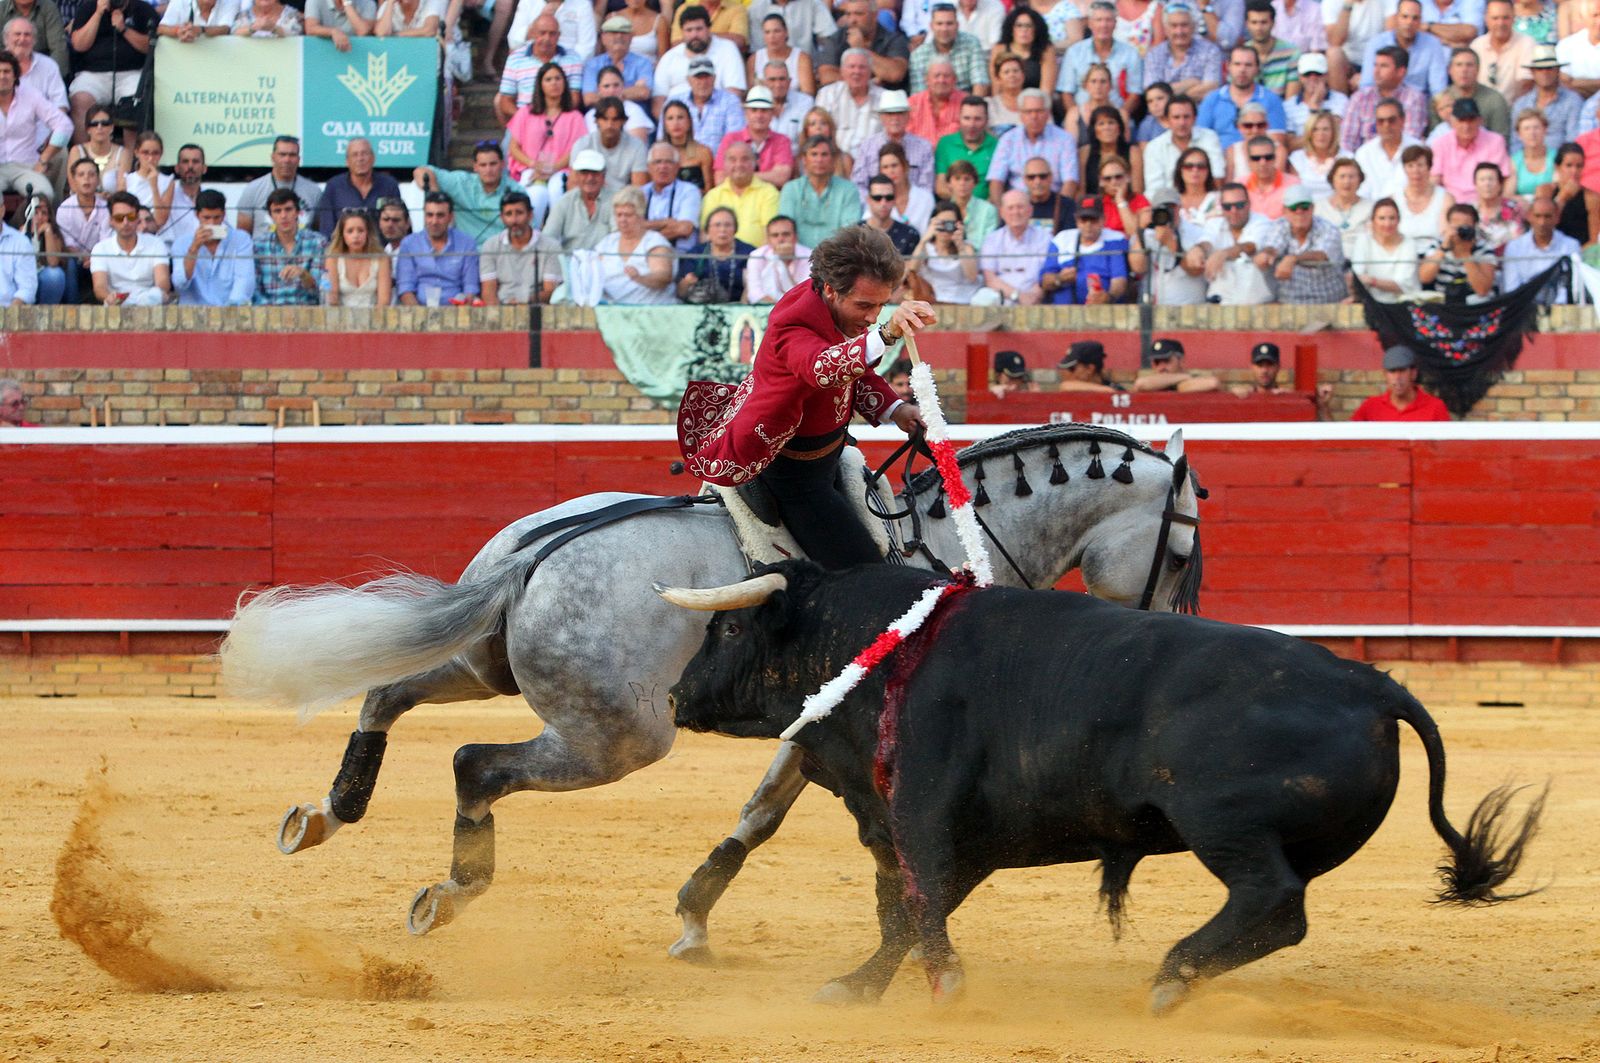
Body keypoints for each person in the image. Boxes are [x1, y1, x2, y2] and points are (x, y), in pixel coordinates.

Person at [677, 226, 931, 567]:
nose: (873, 317)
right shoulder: (793, 322)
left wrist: (896, 409)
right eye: (865, 305)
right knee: (865, 572)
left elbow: (854, 370)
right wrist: (887, 334)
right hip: (793, 475)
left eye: (882, 306)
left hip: (831, 452)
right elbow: (823, 369)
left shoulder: (839, 310)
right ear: (830, 290)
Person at [66, 0, 156, 142]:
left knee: (135, 103)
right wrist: (98, 13)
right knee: (80, 101)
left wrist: (124, 29)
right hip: (92, 74)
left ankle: (130, 159)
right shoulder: (88, 7)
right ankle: (82, 159)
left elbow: (151, 46)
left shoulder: (142, 9)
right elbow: (78, 45)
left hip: (132, 73)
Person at [413, 143, 522, 247]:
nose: (488, 170)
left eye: (493, 164)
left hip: (501, 253)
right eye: (483, 165)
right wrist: (437, 198)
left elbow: (528, 228)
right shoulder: (461, 183)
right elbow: (421, 171)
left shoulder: (516, 191)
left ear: (502, 164)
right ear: (475, 167)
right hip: (465, 253)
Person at [0, 48, 67, 207]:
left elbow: (64, 125)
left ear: (15, 75)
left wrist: (44, 159)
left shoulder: (30, 96)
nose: (2, 76)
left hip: (26, 167)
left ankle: (20, 229)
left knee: (43, 196)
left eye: (7, 71)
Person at [1257, 183, 1347, 301]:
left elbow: (1322, 255)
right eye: (1293, 208)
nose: (1299, 212)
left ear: (1312, 209)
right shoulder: (1279, 226)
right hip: (1289, 303)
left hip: (1328, 302)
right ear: (1285, 211)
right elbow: (1273, 245)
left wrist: (1293, 259)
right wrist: (1266, 255)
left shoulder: (1328, 228)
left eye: (1304, 207)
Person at [988, 88, 1080, 200]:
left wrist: (1060, 210)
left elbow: (1070, 181)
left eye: (1039, 111)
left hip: (1053, 203)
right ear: (1020, 115)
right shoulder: (1008, 140)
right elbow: (996, 180)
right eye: (1028, 112)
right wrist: (1001, 212)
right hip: (1018, 206)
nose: (1034, 117)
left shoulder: (1064, 139)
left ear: (1047, 114)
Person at [395, 191, 479, 306]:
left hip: (457, 312)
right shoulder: (409, 244)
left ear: (450, 217)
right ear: (424, 216)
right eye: (430, 215)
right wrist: (419, 317)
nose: (434, 221)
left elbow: (471, 288)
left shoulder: (467, 244)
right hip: (418, 313)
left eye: (440, 215)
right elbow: (406, 288)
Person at [1041, 197, 1131, 303]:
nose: (1088, 225)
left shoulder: (1115, 240)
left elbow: (1119, 280)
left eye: (1093, 219)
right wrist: (1059, 278)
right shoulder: (1062, 239)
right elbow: (1044, 282)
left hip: (1104, 310)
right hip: (1063, 313)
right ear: (1076, 220)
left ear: (1103, 219)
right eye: (1084, 219)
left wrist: (1108, 297)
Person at [479, 190, 561, 306]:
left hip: (538, 309)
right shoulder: (490, 246)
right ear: (502, 217)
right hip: (502, 308)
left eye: (519, 213)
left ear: (530, 215)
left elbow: (550, 292)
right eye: (508, 214)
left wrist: (523, 301)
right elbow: (488, 292)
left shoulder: (550, 246)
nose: (514, 220)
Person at [778, 134, 862, 248]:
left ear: (833, 160)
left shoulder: (848, 190)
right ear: (804, 160)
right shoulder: (791, 189)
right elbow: (785, 227)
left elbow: (849, 231)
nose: (819, 160)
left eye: (824, 155)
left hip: (835, 258)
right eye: (814, 154)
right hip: (797, 257)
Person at [173, 188, 254, 306]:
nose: (212, 223)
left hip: (230, 312)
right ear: (197, 215)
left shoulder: (241, 240)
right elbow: (180, 284)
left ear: (224, 215)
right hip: (192, 315)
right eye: (206, 218)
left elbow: (244, 281)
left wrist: (230, 311)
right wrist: (194, 248)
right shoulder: (182, 243)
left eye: (217, 217)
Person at [1198, 45, 1288, 149]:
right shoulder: (1212, 100)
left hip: (1257, 160)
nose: (1242, 69)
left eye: (1248, 65)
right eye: (1237, 64)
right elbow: (1201, 139)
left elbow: (1277, 143)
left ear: (1257, 68)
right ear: (1228, 66)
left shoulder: (1271, 100)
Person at [496, 16, 583, 124]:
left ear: (558, 35)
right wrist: (526, 119)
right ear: (532, 33)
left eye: (552, 34)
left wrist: (555, 119)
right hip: (525, 121)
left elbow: (574, 98)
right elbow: (505, 101)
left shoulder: (572, 58)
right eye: (542, 33)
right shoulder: (515, 58)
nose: (547, 38)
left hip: (561, 121)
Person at [1058, 2, 1143, 111]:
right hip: (1081, 116)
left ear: (1115, 23)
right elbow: (1066, 93)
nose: (1104, 25)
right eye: (1098, 20)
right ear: (1089, 23)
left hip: (1117, 117)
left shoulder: (1130, 53)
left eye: (1108, 20)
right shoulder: (1074, 52)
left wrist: (1121, 117)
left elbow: (1135, 93)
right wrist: (1076, 118)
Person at [1343, 45, 1431, 151]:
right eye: (1375, 65)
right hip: (1363, 162)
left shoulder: (1414, 99)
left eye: (1384, 66)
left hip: (1400, 161)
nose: (1376, 71)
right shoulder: (1360, 98)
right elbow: (1347, 140)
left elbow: (1410, 139)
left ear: (1401, 72)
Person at [654, 5, 746, 104]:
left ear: (709, 29)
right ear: (682, 32)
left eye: (699, 29)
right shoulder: (669, 58)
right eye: (689, 30)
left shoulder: (728, 49)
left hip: (718, 115)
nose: (694, 35)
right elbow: (658, 101)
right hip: (675, 116)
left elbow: (734, 93)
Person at [1130, 190, 1211, 302]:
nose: (1167, 212)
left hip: (1188, 309)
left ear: (1179, 208)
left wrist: (1170, 242)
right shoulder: (1147, 234)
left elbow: (1195, 269)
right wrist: (1140, 230)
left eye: (1171, 207)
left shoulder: (1196, 232)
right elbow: (1138, 268)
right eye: (1161, 208)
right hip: (1154, 309)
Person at [90, 190, 168, 305]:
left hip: (149, 301)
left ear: (137, 219)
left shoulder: (156, 243)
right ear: (111, 221)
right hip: (117, 302)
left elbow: (163, 282)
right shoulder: (100, 249)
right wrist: (109, 297)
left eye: (131, 217)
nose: (125, 223)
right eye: (119, 218)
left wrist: (155, 294)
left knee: (157, 296)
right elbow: (99, 287)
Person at [235, 136, 323, 236]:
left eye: (292, 155)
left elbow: (318, 231)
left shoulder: (314, 191)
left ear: (298, 159)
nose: (287, 160)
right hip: (263, 250)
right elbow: (242, 235)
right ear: (273, 157)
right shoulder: (253, 189)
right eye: (282, 154)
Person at [1144, 93, 1225, 201]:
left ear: (1195, 118)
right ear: (1167, 120)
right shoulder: (1154, 147)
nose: (1182, 123)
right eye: (1176, 117)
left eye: (1186, 117)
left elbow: (1217, 177)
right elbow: (1154, 189)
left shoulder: (1209, 137)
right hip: (1169, 204)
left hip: (1207, 201)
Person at [251, 187, 325, 305]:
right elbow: (254, 291)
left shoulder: (317, 242)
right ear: (270, 216)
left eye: (288, 209)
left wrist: (303, 274)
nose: (283, 216)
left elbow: (321, 292)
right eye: (277, 211)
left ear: (297, 212)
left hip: (307, 314)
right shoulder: (258, 245)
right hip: (269, 315)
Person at [1203, 181, 1275, 301]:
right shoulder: (1213, 224)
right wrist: (1198, 250)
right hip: (1219, 303)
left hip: (1256, 305)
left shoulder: (1262, 222)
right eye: (1227, 207)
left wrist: (1223, 253)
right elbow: (1205, 242)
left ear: (1248, 204)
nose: (1234, 211)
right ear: (1221, 207)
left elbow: (1251, 246)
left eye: (1239, 205)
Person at [1359, 0, 1449, 96]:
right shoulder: (1377, 43)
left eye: (1415, 18)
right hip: (1382, 101)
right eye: (1405, 17)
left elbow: (1438, 89)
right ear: (1396, 18)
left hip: (1419, 103)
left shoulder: (1432, 44)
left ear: (1420, 21)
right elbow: (1367, 84)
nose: (1409, 22)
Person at [663, 56, 746, 160]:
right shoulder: (673, 101)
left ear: (714, 78)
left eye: (707, 77)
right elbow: (663, 140)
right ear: (688, 80)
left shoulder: (730, 101)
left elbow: (734, 141)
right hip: (681, 164)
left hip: (719, 166)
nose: (703, 82)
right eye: (698, 77)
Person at [816, 0, 911, 91]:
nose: (852, 20)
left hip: (884, 101)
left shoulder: (895, 39)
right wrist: (867, 82)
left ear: (875, 15)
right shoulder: (836, 39)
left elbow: (895, 74)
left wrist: (862, 49)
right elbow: (826, 76)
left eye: (858, 14)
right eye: (848, 14)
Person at [313, 139, 400, 238]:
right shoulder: (334, 187)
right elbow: (326, 230)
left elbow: (398, 223)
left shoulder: (389, 185)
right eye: (355, 154)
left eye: (364, 154)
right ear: (347, 161)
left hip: (381, 251)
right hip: (343, 252)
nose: (360, 158)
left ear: (373, 158)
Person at [1339, 343, 1451, 420]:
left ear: (1413, 373)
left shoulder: (1436, 407)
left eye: (1402, 371)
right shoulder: (1371, 406)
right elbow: (1342, 445)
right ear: (1385, 375)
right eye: (1392, 371)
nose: (1397, 377)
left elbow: (1447, 450)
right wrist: (1324, 408)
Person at [1431, 97, 1510, 203]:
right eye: (1461, 120)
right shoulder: (1440, 144)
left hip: (1485, 202)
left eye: (1471, 120)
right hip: (1450, 203)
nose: (1466, 126)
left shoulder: (1495, 141)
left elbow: (1504, 177)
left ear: (1480, 121)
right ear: (1452, 122)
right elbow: (1435, 178)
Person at [701, 139, 781, 244]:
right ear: (724, 164)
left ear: (755, 163)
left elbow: (772, 234)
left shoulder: (769, 193)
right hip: (721, 257)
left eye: (745, 159)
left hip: (758, 258)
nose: (739, 165)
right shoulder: (713, 195)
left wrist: (758, 259)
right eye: (732, 160)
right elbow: (705, 235)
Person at [979, 188, 1051, 302]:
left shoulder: (1045, 238)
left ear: (1030, 210)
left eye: (1020, 207)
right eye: (1010, 208)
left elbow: (1047, 274)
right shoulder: (992, 239)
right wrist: (1018, 296)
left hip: (1035, 298)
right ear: (1002, 212)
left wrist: (1034, 296)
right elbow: (990, 278)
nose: (1015, 212)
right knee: (982, 299)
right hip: (1002, 297)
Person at [1500, 194, 1578, 298]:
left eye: (1547, 216)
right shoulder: (1514, 247)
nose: (1542, 222)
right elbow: (1512, 289)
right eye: (1537, 216)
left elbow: (1569, 288)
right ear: (1529, 216)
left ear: (1557, 218)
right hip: (1523, 308)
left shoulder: (1570, 246)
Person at [1418, 201, 1497, 302]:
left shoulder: (1484, 248)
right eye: (1456, 227)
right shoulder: (1438, 244)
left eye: (1465, 227)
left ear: (1475, 226)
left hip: (1475, 303)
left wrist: (1465, 255)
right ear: (1448, 225)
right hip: (1444, 302)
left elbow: (1482, 290)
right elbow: (1424, 278)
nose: (1460, 232)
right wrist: (1443, 249)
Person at [715, 86, 794, 186]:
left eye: (764, 110)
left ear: (772, 113)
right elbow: (720, 178)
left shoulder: (782, 141)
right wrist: (766, 176)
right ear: (746, 113)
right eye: (754, 110)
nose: (759, 115)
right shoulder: (730, 139)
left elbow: (781, 177)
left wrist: (740, 176)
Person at [55, 156, 109, 300]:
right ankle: (73, 308)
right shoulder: (65, 208)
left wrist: (95, 258)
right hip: (75, 259)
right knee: (70, 263)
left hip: (101, 258)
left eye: (91, 175)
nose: (87, 179)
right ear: (73, 180)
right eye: (81, 175)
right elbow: (67, 243)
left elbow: (107, 241)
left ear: (97, 180)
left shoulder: (106, 208)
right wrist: (84, 257)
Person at [1348, 195, 1423, 299]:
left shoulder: (1409, 244)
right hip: (1372, 304)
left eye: (1392, 218)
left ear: (1398, 220)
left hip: (1404, 304)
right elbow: (1358, 276)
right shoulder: (1363, 241)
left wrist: (1373, 281)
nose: (1387, 224)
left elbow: (1404, 285)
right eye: (1382, 218)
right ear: (1373, 220)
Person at [909, 196, 982, 301]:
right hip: (932, 299)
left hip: (963, 299)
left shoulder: (966, 247)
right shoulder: (925, 248)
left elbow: (972, 277)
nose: (946, 229)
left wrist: (960, 246)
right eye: (941, 223)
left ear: (958, 224)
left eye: (950, 224)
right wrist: (924, 240)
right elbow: (912, 270)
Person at [816, 49, 884, 161]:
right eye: (851, 67)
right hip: (835, 162)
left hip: (874, 161)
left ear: (870, 71)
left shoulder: (884, 97)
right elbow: (818, 133)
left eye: (862, 67)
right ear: (842, 71)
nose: (856, 71)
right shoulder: (827, 94)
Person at [1145, 4, 1224, 101]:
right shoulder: (1154, 54)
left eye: (1184, 25)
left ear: (1194, 26)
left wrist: (1168, 95)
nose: (1179, 31)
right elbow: (1152, 94)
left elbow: (1212, 88)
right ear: (1165, 29)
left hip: (1200, 112)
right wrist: (1191, 83)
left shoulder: (1210, 51)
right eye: (1174, 26)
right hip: (1163, 114)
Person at [1430, 46, 1511, 139]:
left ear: (1478, 70)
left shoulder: (1495, 99)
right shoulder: (1440, 100)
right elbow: (1434, 138)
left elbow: (1501, 137)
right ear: (1449, 70)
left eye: (1469, 65)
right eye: (1459, 65)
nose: (1464, 70)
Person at [321, 207, 392, 308]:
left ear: (368, 233)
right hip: (341, 320)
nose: (356, 235)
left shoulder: (381, 259)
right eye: (350, 231)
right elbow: (332, 300)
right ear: (342, 235)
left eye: (360, 230)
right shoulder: (333, 259)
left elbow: (384, 302)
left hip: (374, 320)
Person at [914, 2, 991, 94]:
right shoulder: (919, 55)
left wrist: (973, 107)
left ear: (957, 25)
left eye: (949, 23)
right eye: (939, 24)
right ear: (931, 26)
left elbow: (980, 82)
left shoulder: (971, 44)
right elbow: (919, 94)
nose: (944, 29)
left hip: (966, 102)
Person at [1354, 97, 1423, 196]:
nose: (1386, 125)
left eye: (1392, 120)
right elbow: (1360, 191)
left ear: (1402, 120)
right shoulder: (1364, 153)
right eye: (1381, 121)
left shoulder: (1418, 150)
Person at [642, 141, 703, 253]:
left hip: (679, 256)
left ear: (677, 166)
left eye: (668, 162)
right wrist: (666, 222)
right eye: (657, 162)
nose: (663, 167)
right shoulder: (641, 193)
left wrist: (647, 230)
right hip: (645, 255)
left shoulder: (689, 191)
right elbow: (633, 228)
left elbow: (684, 229)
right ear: (649, 167)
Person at [1514, 46, 1580, 147]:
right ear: (1533, 72)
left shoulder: (1573, 101)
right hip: (1526, 160)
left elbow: (1573, 140)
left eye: (1549, 68)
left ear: (1557, 71)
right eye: (1540, 69)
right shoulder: (1521, 104)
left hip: (1560, 160)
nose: (1545, 73)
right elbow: (1515, 142)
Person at [583, 15, 653, 108]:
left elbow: (643, 92)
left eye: (624, 32)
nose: (619, 36)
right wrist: (630, 91)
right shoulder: (593, 65)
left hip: (634, 115)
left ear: (631, 37)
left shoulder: (643, 63)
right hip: (601, 114)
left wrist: (604, 92)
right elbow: (589, 98)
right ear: (603, 38)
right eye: (614, 32)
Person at [934, 95, 997, 197]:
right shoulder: (945, 143)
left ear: (986, 120)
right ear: (959, 118)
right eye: (966, 118)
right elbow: (941, 187)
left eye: (978, 119)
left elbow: (997, 187)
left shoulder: (996, 146)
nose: (971, 124)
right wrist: (963, 203)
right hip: (953, 208)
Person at [1474, 0, 1537, 99]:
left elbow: (1526, 84)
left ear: (1514, 18)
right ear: (1486, 20)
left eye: (1505, 18)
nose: (1500, 23)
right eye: (1495, 18)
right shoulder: (1476, 45)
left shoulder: (1526, 43)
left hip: (1515, 109)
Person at [746, 213, 812, 302]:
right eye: (775, 235)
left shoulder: (809, 256)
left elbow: (806, 295)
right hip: (766, 309)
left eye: (786, 234)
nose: (781, 239)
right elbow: (755, 294)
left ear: (795, 237)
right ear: (768, 240)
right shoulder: (757, 256)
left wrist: (783, 263)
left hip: (799, 309)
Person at [1315, 156, 1374, 255]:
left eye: (1351, 177)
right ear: (1332, 179)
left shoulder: (1371, 208)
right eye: (1342, 176)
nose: (1347, 182)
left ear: (1360, 180)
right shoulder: (1318, 208)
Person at [987, 4, 1053, 92]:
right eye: (1019, 25)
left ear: (1037, 29)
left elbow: (1047, 90)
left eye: (1029, 25)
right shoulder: (999, 49)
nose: (1024, 30)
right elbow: (997, 87)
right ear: (1011, 29)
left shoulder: (1046, 50)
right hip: (1004, 101)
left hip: (1035, 101)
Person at [1544, 141, 1600, 245]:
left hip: (1580, 254)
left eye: (1579, 166)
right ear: (1558, 167)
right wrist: (1561, 198)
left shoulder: (1591, 197)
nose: (1574, 171)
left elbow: (1594, 240)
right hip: (1548, 252)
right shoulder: (1545, 191)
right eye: (1569, 166)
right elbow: (1542, 228)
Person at [749, 11, 817, 97]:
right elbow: (750, 93)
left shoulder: (802, 58)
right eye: (767, 32)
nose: (772, 36)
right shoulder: (754, 59)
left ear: (786, 32)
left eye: (777, 31)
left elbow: (808, 94)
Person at [1241, 0, 1301, 96]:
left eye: (1264, 22)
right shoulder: (1241, 54)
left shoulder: (1291, 53)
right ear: (1247, 24)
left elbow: (1291, 99)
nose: (1259, 28)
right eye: (1254, 22)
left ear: (1273, 23)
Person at [1080, 105, 1142, 196]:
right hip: (1094, 206)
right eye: (1101, 124)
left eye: (1111, 123)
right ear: (1094, 130)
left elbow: (1137, 190)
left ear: (1119, 128)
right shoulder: (1084, 152)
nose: (1107, 128)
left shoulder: (1133, 152)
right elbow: (1081, 190)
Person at [65, 105, 127, 193]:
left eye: (105, 123)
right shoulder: (77, 151)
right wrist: (96, 198)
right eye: (94, 124)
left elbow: (122, 187)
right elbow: (74, 186)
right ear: (88, 129)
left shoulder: (123, 153)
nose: (99, 127)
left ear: (112, 127)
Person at [1396, 142, 1453, 239]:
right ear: (1404, 169)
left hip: (1436, 251)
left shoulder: (1445, 199)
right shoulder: (1394, 199)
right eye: (1410, 166)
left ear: (1429, 167)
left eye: (1420, 165)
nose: (1416, 171)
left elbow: (1447, 234)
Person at [1285, 53, 1348, 139]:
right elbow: (1290, 144)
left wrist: (1315, 107)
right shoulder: (1288, 106)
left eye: (1318, 74)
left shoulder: (1341, 100)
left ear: (1326, 76)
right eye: (1307, 74)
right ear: (1300, 77)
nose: (1313, 78)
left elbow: (1334, 135)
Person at [658, 99, 716, 191]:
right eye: (670, 118)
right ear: (664, 125)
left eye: (680, 117)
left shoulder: (703, 152)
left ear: (689, 122)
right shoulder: (657, 153)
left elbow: (710, 190)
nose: (675, 123)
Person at [748, 0, 836, 56]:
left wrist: (824, 65)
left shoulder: (813, 3)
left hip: (807, 67)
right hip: (770, 70)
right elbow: (757, 48)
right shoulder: (757, 7)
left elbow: (828, 37)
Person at [1241, 133, 1299, 217]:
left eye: (1268, 157)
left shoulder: (1293, 184)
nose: (1263, 163)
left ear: (1275, 158)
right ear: (1249, 161)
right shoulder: (1240, 186)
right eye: (1256, 158)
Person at [860, 173, 920, 254]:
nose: (883, 203)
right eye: (877, 198)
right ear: (868, 200)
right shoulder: (855, 234)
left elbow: (913, 266)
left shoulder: (910, 234)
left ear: (894, 200)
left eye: (889, 197)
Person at [910, 60, 967, 143]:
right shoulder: (913, 103)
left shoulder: (966, 103)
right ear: (927, 80)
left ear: (955, 80)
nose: (941, 80)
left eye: (946, 76)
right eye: (936, 76)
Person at [1471, 159, 1524, 248]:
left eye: (1491, 179)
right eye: (1482, 179)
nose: (1487, 184)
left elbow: (1518, 240)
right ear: (1475, 184)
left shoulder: (1513, 208)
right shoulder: (1470, 210)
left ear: (1500, 184)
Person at [944, 158, 999, 243]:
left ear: (975, 183)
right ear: (949, 183)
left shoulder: (988, 210)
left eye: (967, 179)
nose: (962, 183)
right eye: (957, 178)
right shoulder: (942, 211)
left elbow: (990, 244)